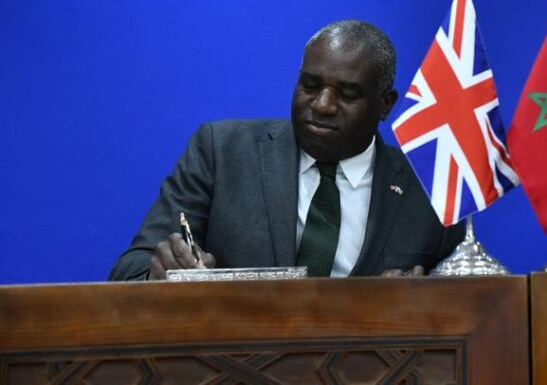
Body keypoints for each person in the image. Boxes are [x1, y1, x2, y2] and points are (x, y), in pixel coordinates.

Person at [110, 20, 464, 280]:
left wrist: (420, 299)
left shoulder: (431, 189)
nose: (322, 105)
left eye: (347, 94)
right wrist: (160, 272)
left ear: (385, 104)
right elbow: (130, 270)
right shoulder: (221, 152)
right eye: (310, 86)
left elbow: (466, 302)